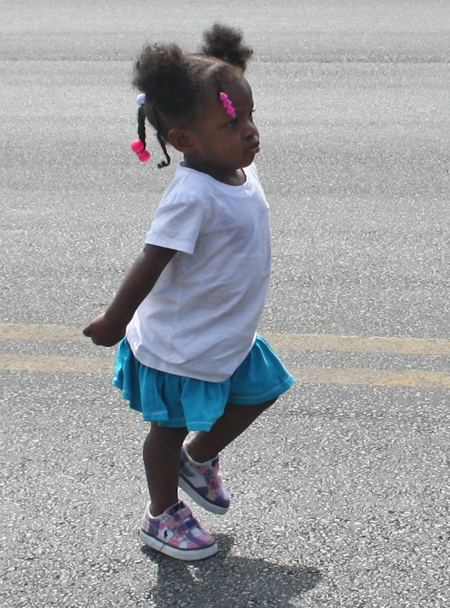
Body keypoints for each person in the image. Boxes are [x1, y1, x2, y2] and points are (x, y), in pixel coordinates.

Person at [83, 23, 295, 561]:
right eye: (232, 122)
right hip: (180, 344)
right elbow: (152, 260)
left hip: (226, 330)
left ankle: (197, 459)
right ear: (184, 142)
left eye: (251, 117)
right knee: (166, 429)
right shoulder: (192, 194)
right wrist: (113, 320)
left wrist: (230, 114)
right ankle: (162, 515)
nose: (249, 132)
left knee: (265, 388)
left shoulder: (235, 169)